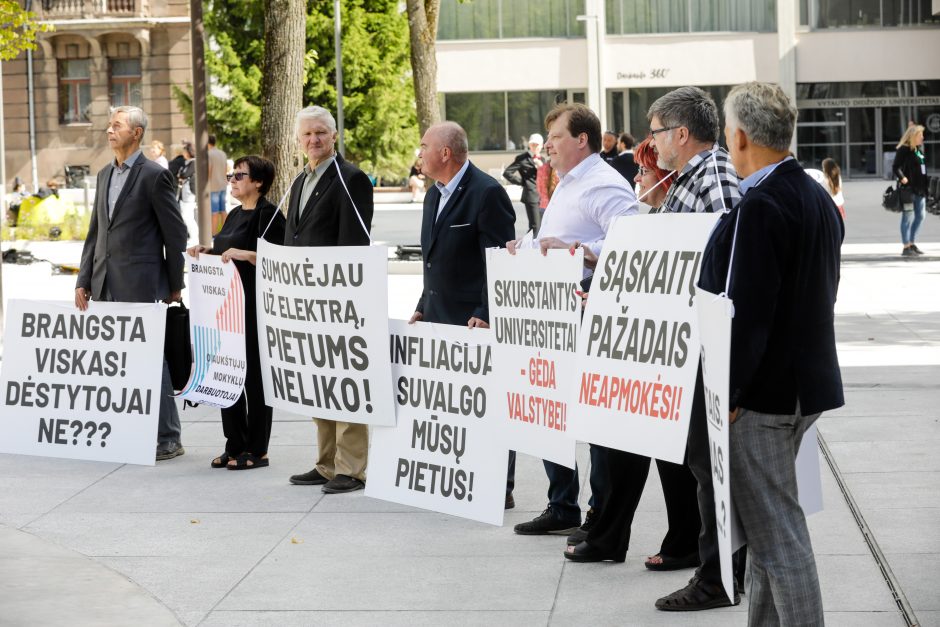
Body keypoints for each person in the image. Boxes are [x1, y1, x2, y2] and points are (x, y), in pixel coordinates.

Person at [699, 80, 844, 627]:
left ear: (738, 137)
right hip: (805, 386)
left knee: (779, 540)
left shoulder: (759, 205)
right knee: (763, 534)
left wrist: (731, 393)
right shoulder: (815, 195)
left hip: (764, 399)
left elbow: (745, 312)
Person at [563, 137, 699, 568]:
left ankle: (680, 541)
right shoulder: (651, 220)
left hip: (665, 356)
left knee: (668, 457)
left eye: (642, 172)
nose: (636, 179)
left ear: (663, 177)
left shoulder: (672, 220)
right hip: (640, 354)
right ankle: (611, 536)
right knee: (627, 446)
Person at [509, 103, 638, 540]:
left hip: (586, 311)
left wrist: (585, 251)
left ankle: (599, 513)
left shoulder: (603, 183)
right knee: (550, 407)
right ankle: (561, 503)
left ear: (582, 140)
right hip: (552, 313)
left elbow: (631, 240)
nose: (547, 147)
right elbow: (557, 236)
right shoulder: (567, 182)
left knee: (593, 419)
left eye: (556, 138)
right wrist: (524, 246)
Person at [647, 86, 746, 612]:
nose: (652, 141)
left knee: (712, 471)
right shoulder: (686, 178)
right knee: (700, 469)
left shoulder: (714, 178)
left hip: (709, 353)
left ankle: (720, 577)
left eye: (657, 130)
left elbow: (731, 267)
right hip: (688, 350)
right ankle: (717, 570)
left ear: (681, 134)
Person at [408, 121, 518, 508]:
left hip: (475, 320)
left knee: (488, 406)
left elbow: (501, 261)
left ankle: (499, 487)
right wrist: (423, 305)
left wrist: (486, 310)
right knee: (453, 406)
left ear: (445, 153)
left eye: (424, 147)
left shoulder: (487, 194)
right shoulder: (432, 196)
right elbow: (433, 259)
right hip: (439, 317)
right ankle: (463, 477)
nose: (418, 154)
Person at [74, 105, 188, 461]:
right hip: (104, 283)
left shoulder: (155, 175)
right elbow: (96, 232)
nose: (109, 131)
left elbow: (176, 233)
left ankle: (169, 436)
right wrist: (83, 279)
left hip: (141, 285)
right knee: (115, 361)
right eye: (109, 125)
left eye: (117, 126)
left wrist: (173, 284)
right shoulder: (105, 174)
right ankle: (127, 430)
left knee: (152, 360)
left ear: (136, 133)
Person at [285, 105, 374, 494]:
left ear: (334, 135)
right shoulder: (299, 180)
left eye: (320, 133)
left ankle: (351, 468)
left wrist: (343, 297)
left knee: (345, 381)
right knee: (319, 381)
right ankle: (325, 464)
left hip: (338, 301)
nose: (314, 140)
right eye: (307, 135)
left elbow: (353, 242)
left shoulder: (350, 178)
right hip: (304, 301)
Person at [186, 155, 285, 470]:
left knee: (254, 380)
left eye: (239, 176)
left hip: (255, 307)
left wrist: (251, 254)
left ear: (258, 182)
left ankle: (258, 450)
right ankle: (235, 445)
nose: (232, 180)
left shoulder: (269, 215)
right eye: (231, 175)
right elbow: (224, 253)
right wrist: (206, 251)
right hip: (226, 309)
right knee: (225, 373)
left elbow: (282, 261)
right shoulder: (232, 215)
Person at [893, 124, 927, 256]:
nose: (922, 137)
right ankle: (906, 246)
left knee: (920, 216)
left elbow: (923, 167)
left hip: (920, 189)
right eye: (920, 135)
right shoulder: (904, 149)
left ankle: (912, 243)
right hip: (908, 190)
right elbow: (896, 167)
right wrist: (903, 178)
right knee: (907, 216)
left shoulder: (918, 149)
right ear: (913, 136)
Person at [502, 133, 544, 234]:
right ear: (529, 145)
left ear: (542, 145)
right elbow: (507, 173)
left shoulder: (542, 159)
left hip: (542, 197)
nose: (535, 147)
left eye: (537, 144)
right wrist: (522, 182)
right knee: (535, 227)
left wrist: (541, 167)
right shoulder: (522, 158)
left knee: (541, 227)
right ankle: (528, 248)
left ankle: (529, 246)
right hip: (531, 195)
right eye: (533, 144)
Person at [208, 134, 229, 234]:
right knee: (223, 210)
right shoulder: (222, 153)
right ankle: (226, 232)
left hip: (213, 186)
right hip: (223, 185)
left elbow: (209, 170)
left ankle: (213, 234)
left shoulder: (209, 154)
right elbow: (226, 168)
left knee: (214, 212)